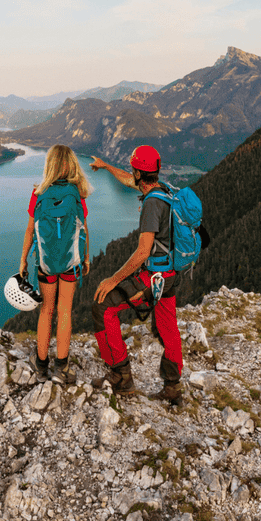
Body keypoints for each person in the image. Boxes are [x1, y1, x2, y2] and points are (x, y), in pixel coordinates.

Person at [87, 145, 185, 404]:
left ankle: (121, 376)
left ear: (139, 172)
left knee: (103, 307)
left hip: (154, 276)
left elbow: (142, 252)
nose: (132, 174)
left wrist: (113, 279)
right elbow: (129, 180)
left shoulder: (152, 204)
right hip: (170, 274)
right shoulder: (162, 190)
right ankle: (173, 388)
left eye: (134, 169)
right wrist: (107, 166)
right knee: (168, 327)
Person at [18, 145, 90, 384]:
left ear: (50, 165)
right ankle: (61, 367)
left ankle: (40, 365)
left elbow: (30, 230)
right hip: (70, 263)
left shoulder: (38, 193)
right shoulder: (75, 193)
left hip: (45, 264)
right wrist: (86, 258)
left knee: (46, 311)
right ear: (71, 164)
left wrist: (24, 260)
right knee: (65, 311)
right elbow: (83, 228)